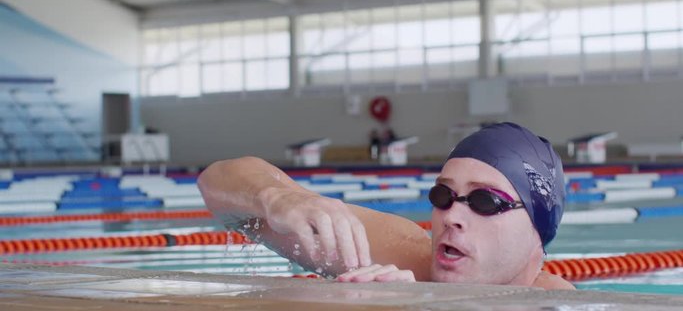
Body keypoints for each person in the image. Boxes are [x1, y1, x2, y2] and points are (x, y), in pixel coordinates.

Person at [197, 122, 575, 290]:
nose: (451, 217)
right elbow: (217, 183)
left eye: (485, 201)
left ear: (538, 235)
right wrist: (279, 197)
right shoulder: (402, 255)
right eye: (442, 195)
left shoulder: (550, 304)